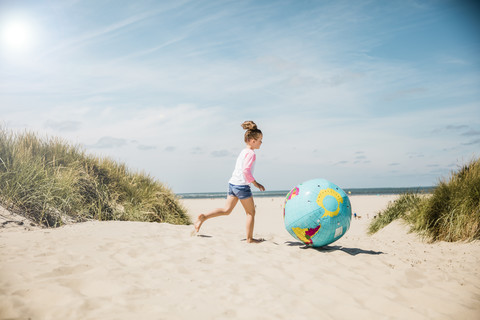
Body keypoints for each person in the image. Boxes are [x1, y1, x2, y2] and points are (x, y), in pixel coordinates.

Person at [194, 120, 265, 243]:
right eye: (260, 140)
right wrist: (256, 183)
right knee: (250, 213)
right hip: (242, 186)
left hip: (232, 184)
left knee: (226, 210)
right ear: (253, 141)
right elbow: (246, 171)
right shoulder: (251, 154)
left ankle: (204, 217)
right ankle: (249, 239)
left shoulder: (243, 152)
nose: (261, 142)